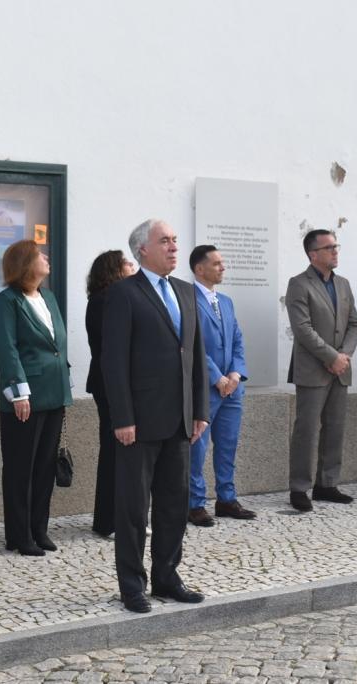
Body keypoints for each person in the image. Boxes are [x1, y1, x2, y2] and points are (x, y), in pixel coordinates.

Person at [101, 219, 208, 613]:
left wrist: (199, 410)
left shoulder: (185, 291)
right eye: (165, 241)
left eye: (175, 240)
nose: (174, 247)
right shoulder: (123, 294)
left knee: (174, 505)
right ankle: (132, 585)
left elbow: (195, 355)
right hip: (139, 422)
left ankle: (167, 576)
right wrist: (122, 417)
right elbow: (114, 360)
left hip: (180, 420)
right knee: (133, 509)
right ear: (142, 249)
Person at [0, 240, 71, 556]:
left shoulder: (48, 297)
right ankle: (19, 535)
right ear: (26, 262)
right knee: (20, 468)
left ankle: (39, 529)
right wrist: (18, 393)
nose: (46, 258)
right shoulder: (7, 301)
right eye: (40, 254)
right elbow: (6, 349)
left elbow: (56, 344)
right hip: (25, 397)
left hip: (54, 392)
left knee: (44, 468)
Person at [285, 229, 357, 512]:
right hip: (312, 370)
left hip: (340, 369)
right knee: (306, 430)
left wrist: (344, 356)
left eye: (336, 246)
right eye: (329, 247)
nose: (335, 251)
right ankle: (299, 488)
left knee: (335, 428)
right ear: (313, 254)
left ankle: (327, 484)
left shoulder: (343, 284)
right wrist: (331, 356)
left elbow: (354, 324)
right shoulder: (298, 284)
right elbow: (302, 328)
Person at [187, 245, 255, 526]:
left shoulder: (225, 301)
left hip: (232, 389)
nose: (222, 267)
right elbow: (192, 344)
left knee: (227, 446)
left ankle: (226, 499)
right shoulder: (187, 299)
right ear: (199, 269)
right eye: (216, 264)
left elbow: (237, 339)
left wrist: (236, 374)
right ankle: (194, 503)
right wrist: (217, 377)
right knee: (197, 448)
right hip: (205, 387)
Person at [85, 250, 135, 538]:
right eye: (126, 263)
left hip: (119, 383)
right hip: (110, 385)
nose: (132, 265)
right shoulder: (104, 301)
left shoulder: (115, 298)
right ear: (113, 270)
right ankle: (108, 521)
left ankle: (121, 518)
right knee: (114, 451)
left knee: (125, 453)